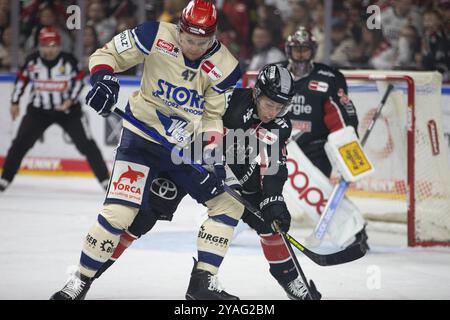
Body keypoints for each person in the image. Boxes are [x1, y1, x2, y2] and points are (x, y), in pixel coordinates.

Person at [51, 0, 248, 300]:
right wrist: (103, 80)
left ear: (214, 36)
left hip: (184, 148)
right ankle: (78, 282)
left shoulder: (227, 67)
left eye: (201, 41)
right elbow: (107, 55)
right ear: (180, 30)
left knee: (229, 205)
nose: (193, 47)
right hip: (141, 139)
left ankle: (202, 283)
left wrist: (212, 158)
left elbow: (212, 117)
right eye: (188, 39)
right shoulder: (153, 34)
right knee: (119, 213)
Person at [87, 64, 321, 300]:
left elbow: (274, 166)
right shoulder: (228, 100)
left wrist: (273, 199)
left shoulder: (280, 124)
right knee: (142, 219)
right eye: (270, 104)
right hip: (189, 162)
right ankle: (89, 274)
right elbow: (191, 121)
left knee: (270, 221)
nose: (273, 112)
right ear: (256, 93)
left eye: (280, 107)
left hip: (235, 172)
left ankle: (286, 282)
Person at [280, 26, 369, 249]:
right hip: (278, 145)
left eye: (305, 49)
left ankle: (355, 233)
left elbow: (342, 115)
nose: (300, 54)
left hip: (314, 147)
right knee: (255, 184)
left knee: (320, 192)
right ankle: (227, 222)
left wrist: (348, 147)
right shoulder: (276, 73)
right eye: (296, 49)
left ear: (313, 50)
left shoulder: (329, 78)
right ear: (288, 50)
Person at [0, 27, 110, 192]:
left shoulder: (69, 60)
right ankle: (5, 179)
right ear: (40, 46)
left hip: (68, 112)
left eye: (53, 45)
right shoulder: (32, 61)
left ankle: (105, 181)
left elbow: (79, 81)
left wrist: (69, 100)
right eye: (46, 45)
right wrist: (14, 102)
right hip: (38, 111)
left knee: (86, 144)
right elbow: (21, 81)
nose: (50, 49)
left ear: (59, 46)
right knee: (20, 143)